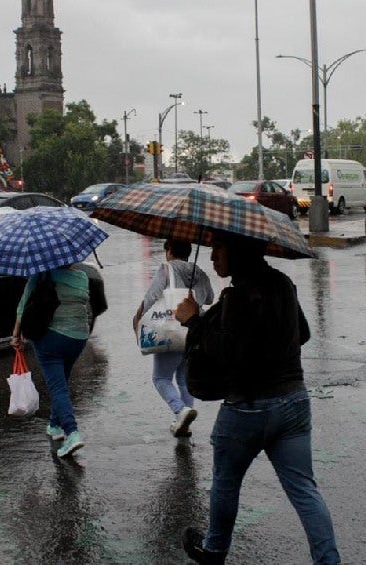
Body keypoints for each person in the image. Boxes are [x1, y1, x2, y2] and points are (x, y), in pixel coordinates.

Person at [174, 231, 340, 565]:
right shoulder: (282, 283)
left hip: (247, 408)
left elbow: (227, 352)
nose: (212, 256)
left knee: (225, 481)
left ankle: (214, 550)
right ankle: (329, 560)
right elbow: (302, 333)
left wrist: (195, 320)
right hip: (293, 402)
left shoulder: (238, 296)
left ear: (238, 251)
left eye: (218, 248)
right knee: (304, 490)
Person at [132, 239, 215, 437]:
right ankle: (184, 422)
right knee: (184, 378)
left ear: (169, 250)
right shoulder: (199, 272)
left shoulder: (165, 269)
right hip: (193, 330)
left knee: (161, 377)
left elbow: (152, 296)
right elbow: (210, 298)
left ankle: (180, 410)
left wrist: (138, 317)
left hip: (169, 330)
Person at [11, 265, 92, 458]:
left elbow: (23, 306)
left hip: (50, 338)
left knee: (58, 388)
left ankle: (72, 433)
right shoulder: (82, 276)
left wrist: (16, 334)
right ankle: (54, 426)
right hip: (79, 337)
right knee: (61, 382)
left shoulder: (40, 274)